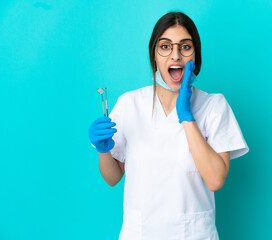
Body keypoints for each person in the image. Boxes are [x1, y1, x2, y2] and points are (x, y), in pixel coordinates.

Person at [89, 11, 249, 240]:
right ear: (154, 54)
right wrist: (104, 151)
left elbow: (215, 179)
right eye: (165, 47)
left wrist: (187, 116)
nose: (175, 56)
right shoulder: (129, 104)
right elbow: (113, 178)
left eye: (185, 47)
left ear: (196, 54)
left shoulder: (214, 106)